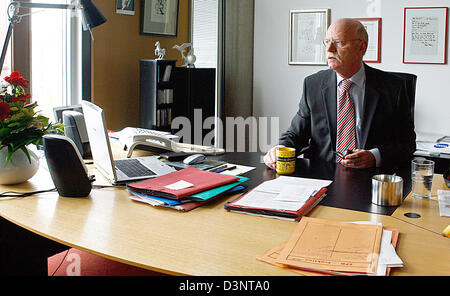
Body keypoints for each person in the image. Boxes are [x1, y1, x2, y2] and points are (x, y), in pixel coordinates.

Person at [264, 18, 416, 169]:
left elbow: (407, 144)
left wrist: (374, 156)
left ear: (361, 47)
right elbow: (296, 134)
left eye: (339, 42)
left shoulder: (393, 87)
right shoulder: (313, 85)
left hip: (370, 177)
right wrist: (279, 148)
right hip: (322, 176)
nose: (329, 49)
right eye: (327, 42)